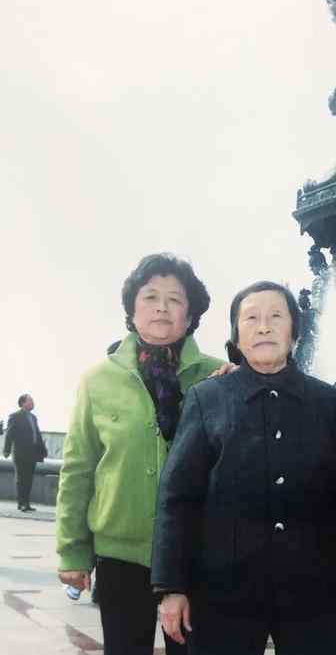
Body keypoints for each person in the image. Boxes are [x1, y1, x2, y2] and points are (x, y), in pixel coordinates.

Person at [151, 280, 336, 655]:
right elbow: (178, 499)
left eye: (276, 317)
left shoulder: (331, 403)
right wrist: (171, 587)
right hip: (222, 593)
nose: (264, 327)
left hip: (314, 594)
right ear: (237, 335)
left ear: (295, 332)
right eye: (251, 318)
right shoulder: (207, 398)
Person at [55, 253, 226, 655]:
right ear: (132, 311)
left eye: (175, 299)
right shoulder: (98, 380)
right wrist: (72, 551)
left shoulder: (220, 377)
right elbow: (78, 468)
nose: (162, 307)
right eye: (150, 297)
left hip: (196, 552)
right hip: (120, 554)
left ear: (191, 315)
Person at [3, 394, 48, 511]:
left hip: (32, 454)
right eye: (30, 401)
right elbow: (9, 434)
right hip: (20, 453)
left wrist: (43, 450)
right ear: (23, 403)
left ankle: (26, 503)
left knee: (29, 479)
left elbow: (37, 435)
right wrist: (6, 450)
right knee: (21, 479)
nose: (33, 403)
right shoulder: (15, 416)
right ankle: (21, 503)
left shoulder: (33, 417)